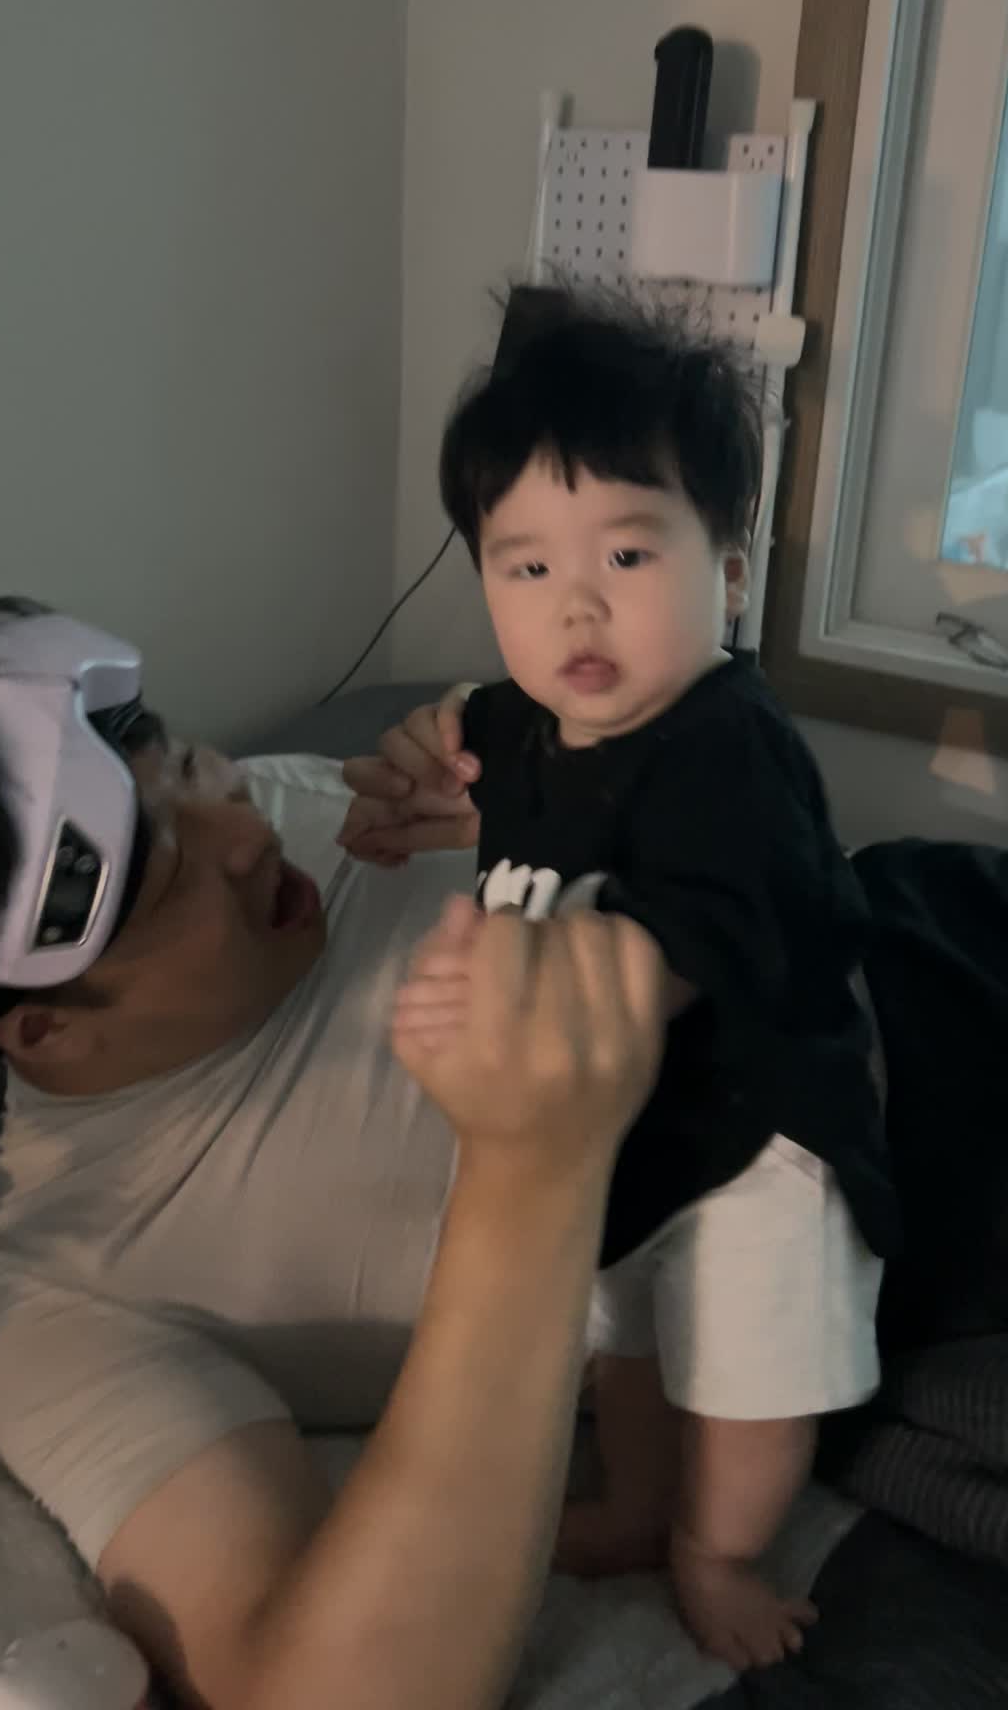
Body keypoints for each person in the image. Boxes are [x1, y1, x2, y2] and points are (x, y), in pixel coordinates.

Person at [0, 601, 669, 1710]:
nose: (249, 831)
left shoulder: (321, 806)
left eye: (186, 763)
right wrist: (533, 1177)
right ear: (44, 1030)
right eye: (172, 875)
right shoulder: (74, 1303)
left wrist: (553, 775)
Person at [381, 295, 898, 1669]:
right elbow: (466, 751)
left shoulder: (729, 748)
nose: (578, 604)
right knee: (627, 1354)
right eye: (526, 566)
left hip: (758, 1140)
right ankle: (634, 1504)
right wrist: (417, 764)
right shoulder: (523, 721)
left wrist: (515, 987)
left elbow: (693, 931)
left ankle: (717, 1551)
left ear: (726, 569)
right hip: (620, 1147)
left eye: (626, 551)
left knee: (749, 1382)